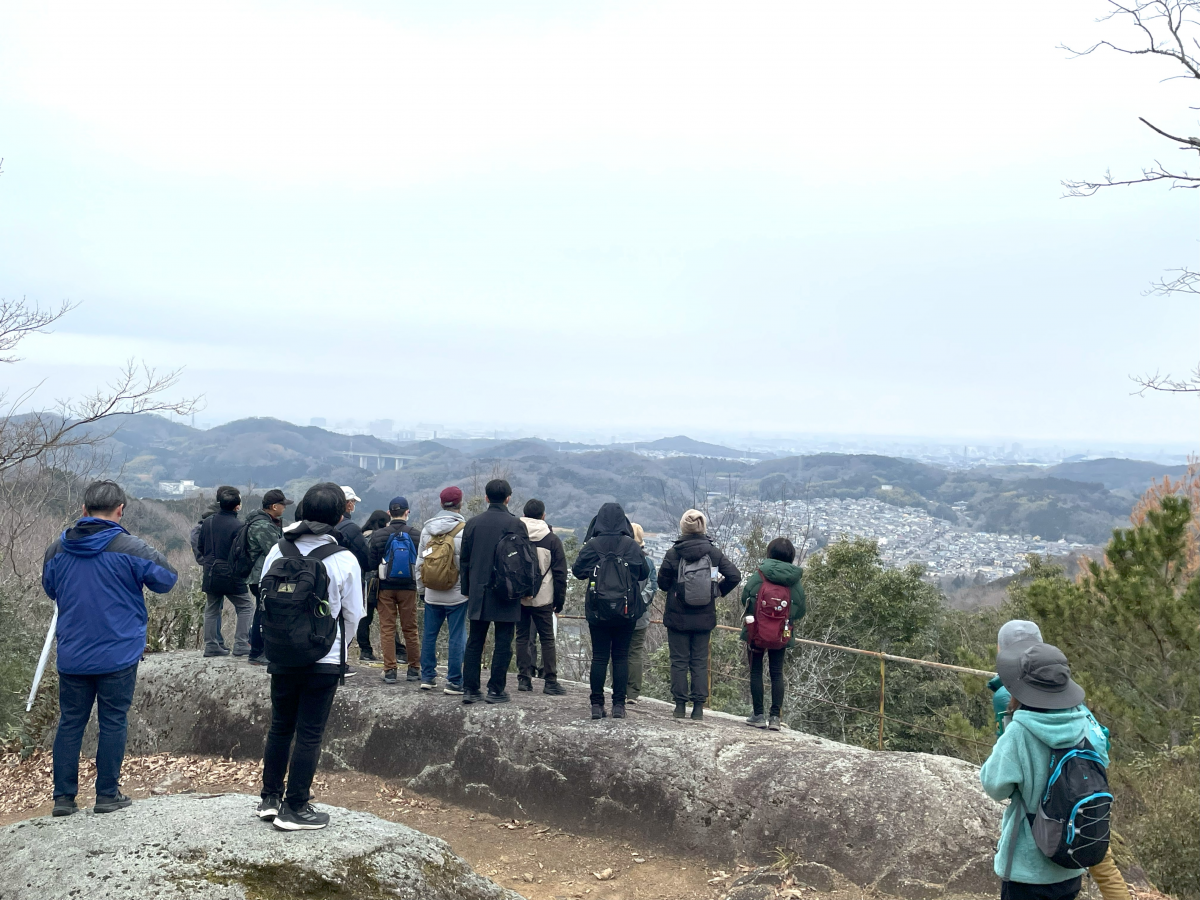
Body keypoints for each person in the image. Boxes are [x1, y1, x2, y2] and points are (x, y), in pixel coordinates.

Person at [42, 480, 178, 816]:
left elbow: (51, 587)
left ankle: (63, 798)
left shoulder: (57, 550)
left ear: (84, 511)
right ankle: (107, 794)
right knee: (113, 720)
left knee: (70, 722)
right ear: (120, 510)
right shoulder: (129, 547)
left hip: (73, 652)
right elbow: (167, 578)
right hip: (118, 652)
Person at [987, 622, 1130, 900]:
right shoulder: (1081, 717)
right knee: (1106, 870)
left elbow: (995, 785)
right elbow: (1101, 755)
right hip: (1070, 859)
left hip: (1027, 867)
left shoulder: (1019, 728)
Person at [256, 483, 363, 831]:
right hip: (324, 656)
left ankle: (269, 799)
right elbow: (354, 614)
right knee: (310, 733)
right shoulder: (344, 559)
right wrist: (340, 651)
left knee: (280, 726)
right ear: (339, 515)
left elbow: (264, 597)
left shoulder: (278, 550)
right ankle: (296, 807)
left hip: (281, 651)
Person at [657, 509, 741, 721]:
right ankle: (698, 708)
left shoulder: (673, 553)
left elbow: (662, 584)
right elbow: (734, 575)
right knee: (699, 661)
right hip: (704, 616)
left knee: (678, 661)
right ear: (703, 527)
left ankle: (678, 706)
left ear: (683, 527)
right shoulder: (712, 553)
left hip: (677, 617)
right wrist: (717, 590)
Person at [572, 503, 649, 720]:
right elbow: (643, 574)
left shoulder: (593, 545)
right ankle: (618, 705)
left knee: (599, 657)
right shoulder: (631, 545)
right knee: (621, 656)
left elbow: (577, 571)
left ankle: (597, 705)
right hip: (626, 610)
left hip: (598, 610)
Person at [459, 479, 527, 704]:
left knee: (475, 641)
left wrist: (467, 589)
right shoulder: (516, 524)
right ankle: (496, 690)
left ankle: (470, 689)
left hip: (479, 590)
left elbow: (465, 560)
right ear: (509, 497)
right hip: (507, 590)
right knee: (503, 642)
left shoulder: (473, 523)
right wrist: (526, 590)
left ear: (486, 498)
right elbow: (526, 562)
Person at [739, 537, 806, 731]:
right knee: (777, 673)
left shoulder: (760, 574)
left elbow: (746, 597)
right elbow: (800, 609)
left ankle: (758, 715)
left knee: (756, 671)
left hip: (757, 630)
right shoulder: (794, 581)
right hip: (781, 632)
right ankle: (775, 717)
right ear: (791, 556)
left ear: (769, 553)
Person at [415, 486, 469, 694]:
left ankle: (427, 677)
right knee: (457, 636)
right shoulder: (464, 529)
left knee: (429, 635)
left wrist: (421, 588)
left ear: (441, 503)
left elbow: (420, 562)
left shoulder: (427, 529)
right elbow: (467, 564)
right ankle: (454, 681)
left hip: (431, 593)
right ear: (460, 504)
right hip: (456, 594)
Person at [366, 497, 422, 684]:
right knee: (410, 628)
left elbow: (371, 563)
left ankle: (390, 670)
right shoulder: (416, 534)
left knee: (387, 628)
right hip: (408, 587)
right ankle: (414, 668)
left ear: (389, 513)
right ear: (407, 512)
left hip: (385, 587)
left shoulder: (379, 535)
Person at [517, 499, 568, 696]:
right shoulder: (551, 539)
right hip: (544, 597)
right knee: (547, 638)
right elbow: (560, 574)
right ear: (543, 516)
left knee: (522, 637)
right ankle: (550, 680)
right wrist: (559, 601)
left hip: (519, 596)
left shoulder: (516, 535)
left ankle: (524, 678)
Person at [196, 485, 255, 657]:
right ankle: (241, 644)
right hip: (231, 574)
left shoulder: (208, 522)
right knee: (245, 606)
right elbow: (242, 554)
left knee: (212, 609)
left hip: (210, 572)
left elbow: (200, 546)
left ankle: (211, 645)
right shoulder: (239, 526)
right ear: (237, 506)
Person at [246, 489, 292, 667]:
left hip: (260, 575)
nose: (284, 509)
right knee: (262, 612)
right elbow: (276, 549)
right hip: (260, 576)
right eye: (282, 505)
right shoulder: (263, 526)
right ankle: (257, 651)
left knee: (262, 611)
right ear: (274, 506)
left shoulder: (265, 522)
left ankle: (259, 650)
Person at [622, 522, 657, 703]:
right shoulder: (648, 562)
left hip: (619, 613)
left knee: (618, 651)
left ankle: (618, 688)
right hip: (640, 615)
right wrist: (640, 604)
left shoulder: (620, 556)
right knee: (635, 652)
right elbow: (652, 586)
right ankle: (633, 693)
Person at [355, 508, 393, 663]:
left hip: (362, 581)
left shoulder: (361, 536)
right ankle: (398, 650)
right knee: (387, 617)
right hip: (378, 581)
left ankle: (365, 650)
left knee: (365, 618)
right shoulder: (380, 537)